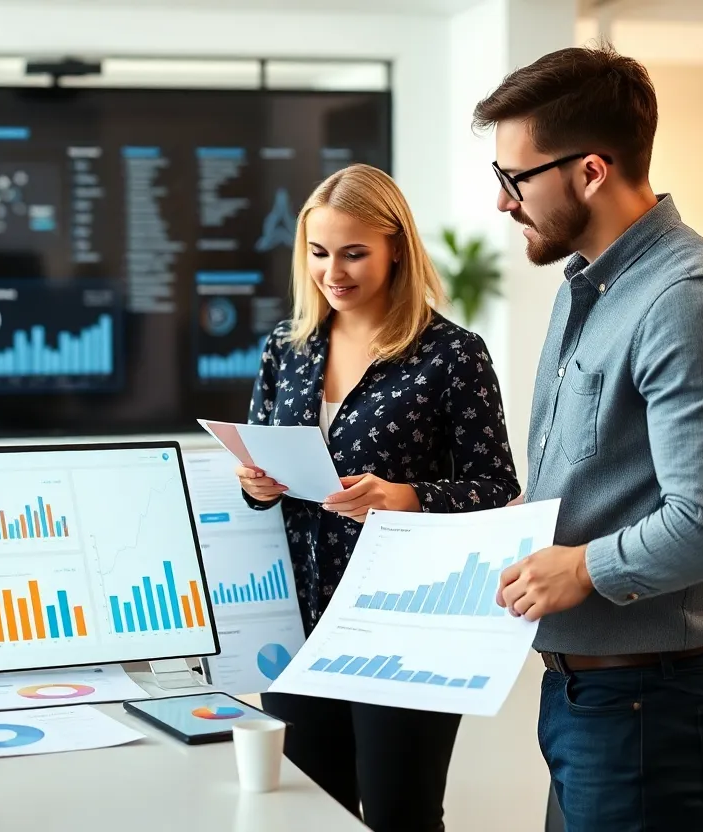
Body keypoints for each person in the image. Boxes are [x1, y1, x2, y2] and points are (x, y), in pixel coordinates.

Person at [474, 45, 703, 831]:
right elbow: (607, 469)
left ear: (590, 171)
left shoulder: (689, 303)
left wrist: (581, 565)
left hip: (654, 710)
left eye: (516, 179)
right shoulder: (590, 287)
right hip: (596, 697)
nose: (504, 203)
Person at [238, 163, 521, 832]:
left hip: (405, 621)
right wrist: (255, 487)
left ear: (397, 247)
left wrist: (408, 495)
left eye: (354, 252)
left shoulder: (452, 354)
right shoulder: (288, 347)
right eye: (317, 252)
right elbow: (260, 470)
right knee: (311, 807)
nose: (332, 271)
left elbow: (496, 484)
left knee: (401, 810)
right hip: (299, 619)